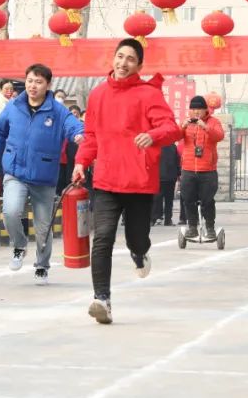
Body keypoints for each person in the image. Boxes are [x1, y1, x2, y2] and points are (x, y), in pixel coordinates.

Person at [72, 38, 182, 324]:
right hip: (107, 179)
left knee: (137, 238)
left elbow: (171, 128)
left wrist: (153, 135)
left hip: (138, 181)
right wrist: (81, 162)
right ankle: (102, 299)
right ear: (113, 59)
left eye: (130, 59)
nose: (123, 63)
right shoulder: (98, 94)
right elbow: (91, 135)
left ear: (139, 66)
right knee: (103, 238)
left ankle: (139, 253)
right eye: (120, 56)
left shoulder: (148, 94)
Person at [0, 64, 84, 284]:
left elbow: (74, 126)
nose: (33, 86)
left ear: (48, 85)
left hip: (44, 176)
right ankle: (20, 245)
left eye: (38, 82)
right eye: (29, 81)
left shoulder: (57, 110)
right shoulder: (14, 106)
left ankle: (42, 266)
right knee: (10, 212)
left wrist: (79, 135)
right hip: (15, 171)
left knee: (43, 228)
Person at [179, 95, 226, 240]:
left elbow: (219, 136)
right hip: (188, 169)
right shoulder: (186, 122)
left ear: (206, 110)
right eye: (193, 109)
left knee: (208, 201)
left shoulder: (213, 122)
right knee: (188, 200)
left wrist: (205, 127)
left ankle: (210, 228)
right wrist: (182, 127)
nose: (196, 112)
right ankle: (192, 227)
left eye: (199, 109)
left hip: (207, 171)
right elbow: (174, 137)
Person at [153, 143, 180, 226]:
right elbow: (177, 161)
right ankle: (167, 220)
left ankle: (154, 219)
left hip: (160, 176)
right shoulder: (173, 146)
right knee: (168, 200)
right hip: (169, 177)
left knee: (157, 199)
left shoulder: (156, 145)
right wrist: (178, 174)